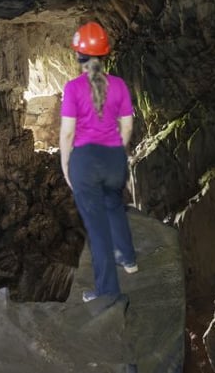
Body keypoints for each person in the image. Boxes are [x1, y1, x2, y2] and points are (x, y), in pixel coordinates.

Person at [59, 21, 138, 303]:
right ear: (104, 55)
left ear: (78, 56)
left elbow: (68, 133)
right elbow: (127, 126)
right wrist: (116, 150)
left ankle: (107, 292)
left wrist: (66, 166)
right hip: (114, 158)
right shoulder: (119, 85)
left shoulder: (73, 88)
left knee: (97, 229)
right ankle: (129, 259)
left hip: (86, 162)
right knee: (114, 206)